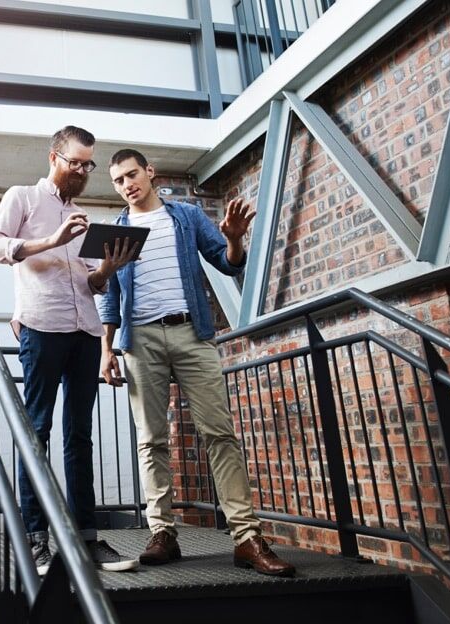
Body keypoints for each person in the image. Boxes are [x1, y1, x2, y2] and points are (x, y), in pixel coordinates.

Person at [97, 148, 295, 577]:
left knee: (220, 434)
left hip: (192, 334)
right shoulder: (117, 229)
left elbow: (227, 264)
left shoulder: (185, 217)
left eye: (132, 175)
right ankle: (162, 533)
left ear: (149, 173)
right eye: (118, 180)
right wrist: (106, 349)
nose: (127, 185)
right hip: (140, 340)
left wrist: (236, 237)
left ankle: (246, 538)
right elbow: (110, 296)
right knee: (151, 440)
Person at [0, 126, 139, 574]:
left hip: (86, 330)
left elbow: (93, 282)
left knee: (79, 436)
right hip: (42, 326)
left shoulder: (83, 213)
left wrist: (108, 265)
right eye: (77, 163)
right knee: (37, 434)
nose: (83, 172)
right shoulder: (23, 198)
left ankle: (86, 540)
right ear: (54, 157)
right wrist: (51, 241)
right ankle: (36, 541)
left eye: (89, 165)